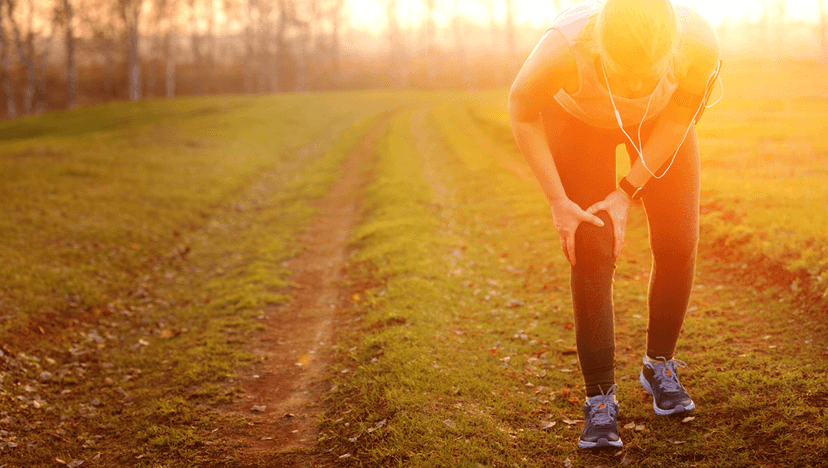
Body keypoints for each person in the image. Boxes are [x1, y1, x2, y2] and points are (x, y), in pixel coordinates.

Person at [508, 0, 721, 449]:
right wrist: (558, 201)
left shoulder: (698, 41)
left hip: (660, 124)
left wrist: (627, 190)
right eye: (623, 73)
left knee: (679, 242)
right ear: (599, 45)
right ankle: (600, 398)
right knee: (592, 250)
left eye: (648, 72)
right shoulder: (563, 49)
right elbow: (521, 109)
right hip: (578, 122)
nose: (637, 85)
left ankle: (658, 364)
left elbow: (681, 115)